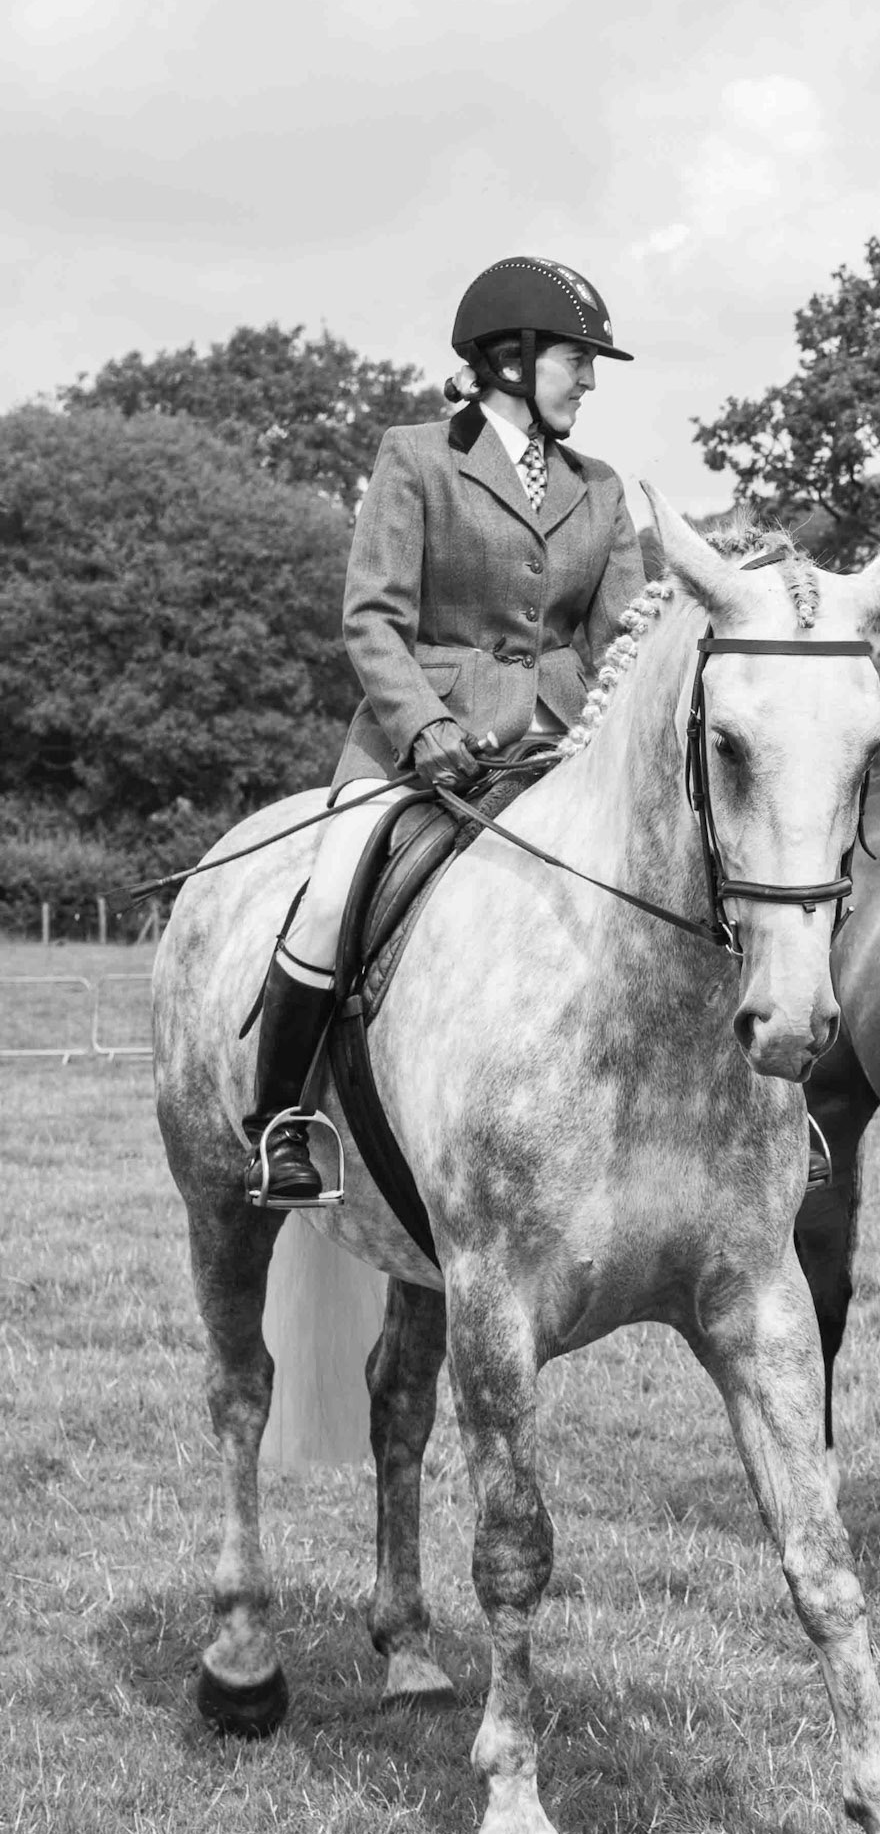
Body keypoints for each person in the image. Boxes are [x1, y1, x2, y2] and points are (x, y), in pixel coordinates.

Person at [243, 256, 645, 1205]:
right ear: (511, 359)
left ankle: (751, 1107)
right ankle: (282, 1123)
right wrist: (423, 726)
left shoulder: (603, 486)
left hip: (563, 750)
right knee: (334, 891)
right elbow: (371, 619)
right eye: (575, 360)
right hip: (419, 747)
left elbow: (626, 634)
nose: (588, 381)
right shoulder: (416, 456)